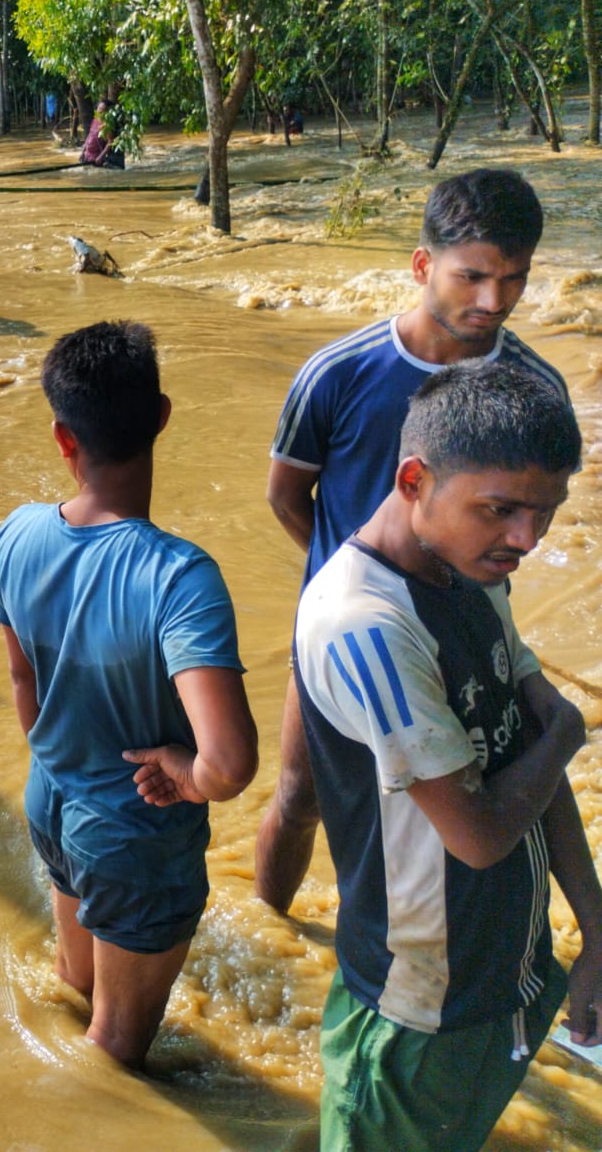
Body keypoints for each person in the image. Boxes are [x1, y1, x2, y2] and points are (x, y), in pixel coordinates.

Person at [295, 361, 598, 1149]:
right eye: (500, 510)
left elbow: (524, 761)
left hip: (505, 969)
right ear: (413, 478)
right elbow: (482, 831)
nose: (527, 540)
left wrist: (595, 931)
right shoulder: (364, 626)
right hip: (418, 1011)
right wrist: (567, 732)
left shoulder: (471, 567)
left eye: (546, 512)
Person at [255, 168, 572, 913]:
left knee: (476, 814)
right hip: (340, 634)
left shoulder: (537, 387)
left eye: (515, 280)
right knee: (301, 795)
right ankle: (277, 932)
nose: (493, 301)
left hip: (474, 632)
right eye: (473, 277)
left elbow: (533, 511)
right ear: (423, 265)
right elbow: (284, 494)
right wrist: (358, 583)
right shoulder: (336, 374)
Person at [0, 321, 258, 1071]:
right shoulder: (181, 577)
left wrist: (59, 761)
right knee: (113, 1056)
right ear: (163, 416)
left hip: (51, 800)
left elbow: (23, 680)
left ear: (62, 438)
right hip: (135, 838)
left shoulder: (16, 535)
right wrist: (186, 772)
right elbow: (230, 765)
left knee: (74, 987)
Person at [81, 100, 125, 168]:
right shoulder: (95, 120)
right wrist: (83, 152)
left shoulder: (107, 125)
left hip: (96, 158)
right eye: (99, 108)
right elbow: (89, 136)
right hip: (87, 156)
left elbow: (110, 142)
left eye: (103, 109)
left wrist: (100, 157)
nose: (100, 111)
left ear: (108, 112)